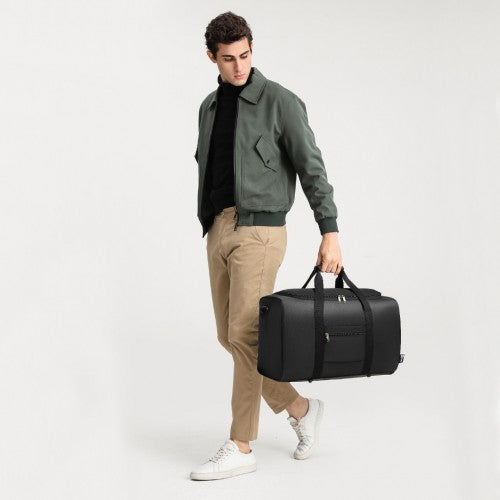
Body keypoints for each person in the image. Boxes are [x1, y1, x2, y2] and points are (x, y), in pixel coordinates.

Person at [190, 11, 343, 481]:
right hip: (219, 229)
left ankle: (240, 444)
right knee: (232, 337)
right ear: (212, 57)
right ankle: (300, 408)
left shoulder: (279, 102)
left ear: (252, 49)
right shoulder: (208, 108)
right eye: (228, 58)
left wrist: (330, 230)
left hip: (260, 231)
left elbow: (312, 167)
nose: (239, 66)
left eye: (245, 55)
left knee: (247, 333)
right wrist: (211, 224)